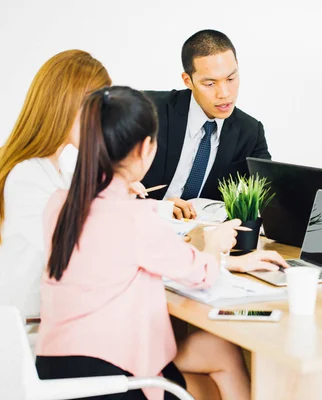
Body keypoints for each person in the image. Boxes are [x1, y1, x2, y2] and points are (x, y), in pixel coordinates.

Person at [36, 86, 252, 400]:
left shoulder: (59, 204)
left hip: (56, 372)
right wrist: (214, 243)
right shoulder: (132, 217)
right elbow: (200, 274)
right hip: (111, 383)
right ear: (146, 148)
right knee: (216, 388)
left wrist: (121, 190)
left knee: (219, 348)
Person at [0, 50, 112, 318]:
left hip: (56, 319)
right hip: (32, 331)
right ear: (63, 104)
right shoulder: (27, 176)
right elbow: (77, 253)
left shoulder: (61, 169)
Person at [142, 29, 271, 219]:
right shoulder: (148, 110)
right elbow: (104, 191)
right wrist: (157, 208)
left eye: (231, 78)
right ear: (188, 81)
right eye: (210, 84)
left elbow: (269, 192)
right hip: (141, 228)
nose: (224, 93)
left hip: (202, 237)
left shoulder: (250, 131)